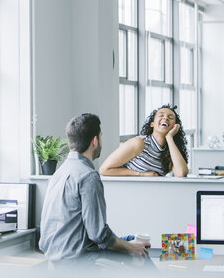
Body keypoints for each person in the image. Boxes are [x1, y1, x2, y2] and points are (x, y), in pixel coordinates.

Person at [39, 113, 152, 268]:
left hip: (55, 258)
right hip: (79, 261)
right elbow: (99, 234)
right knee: (139, 249)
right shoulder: (88, 176)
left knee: (133, 238)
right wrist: (131, 248)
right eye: (101, 137)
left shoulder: (59, 173)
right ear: (95, 141)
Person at [99, 104, 188, 177]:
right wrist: (142, 174)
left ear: (174, 127)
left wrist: (169, 137)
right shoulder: (139, 143)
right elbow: (104, 169)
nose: (165, 118)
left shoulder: (170, 151)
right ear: (152, 124)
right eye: (161, 115)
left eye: (171, 117)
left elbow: (181, 173)